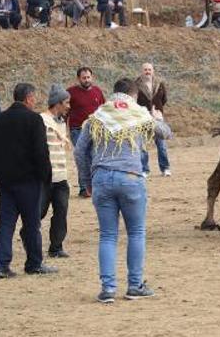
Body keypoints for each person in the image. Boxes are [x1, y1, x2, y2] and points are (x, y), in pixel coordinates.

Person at [75, 78, 171, 303]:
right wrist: (158, 118)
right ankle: (135, 285)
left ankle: (108, 289)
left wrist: (86, 180)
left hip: (101, 178)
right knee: (136, 233)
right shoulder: (138, 114)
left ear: (113, 93)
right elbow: (165, 133)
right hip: (130, 177)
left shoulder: (98, 116)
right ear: (134, 95)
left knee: (107, 235)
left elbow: (80, 152)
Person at [0, 83, 58, 278]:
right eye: (34, 98)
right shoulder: (34, 120)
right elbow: (41, 152)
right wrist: (46, 178)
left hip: (5, 183)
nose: (35, 102)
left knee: (6, 223)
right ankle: (34, 263)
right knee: (32, 223)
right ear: (28, 98)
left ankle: (1, 265)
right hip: (28, 182)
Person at [39, 85, 72, 258]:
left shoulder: (61, 123)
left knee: (61, 211)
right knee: (39, 212)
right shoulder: (41, 120)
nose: (69, 106)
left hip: (61, 177)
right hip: (45, 177)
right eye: (66, 102)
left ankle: (56, 247)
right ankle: (28, 235)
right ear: (57, 103)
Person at [67, 67, 105, 198]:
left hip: (95, 130)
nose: (87, 80)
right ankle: (84, 188)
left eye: (88, 77)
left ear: (92, 77)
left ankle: (94, 186)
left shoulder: (97, 91)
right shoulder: (70, 92)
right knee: (82, 156)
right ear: (78, 79)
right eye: (84, 78)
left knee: (94, 156)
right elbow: (65, 110)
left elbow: (103, 110)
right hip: (77, 130)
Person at [135, 63, 170, 177]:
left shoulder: (159, 84)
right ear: (141, 71)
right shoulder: (136, 85)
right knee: (143, 145)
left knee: (161, 145)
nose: (147, 72)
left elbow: (164, 99)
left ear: (153, 71)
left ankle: (165, 168)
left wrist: (158, 110)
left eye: (149, 69)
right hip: (142, 118)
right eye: (145, 70)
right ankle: (145, 170)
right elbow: (133, 101)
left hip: (158, 118)